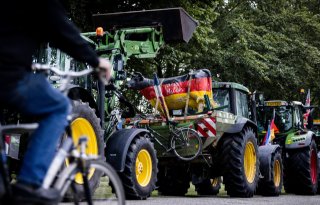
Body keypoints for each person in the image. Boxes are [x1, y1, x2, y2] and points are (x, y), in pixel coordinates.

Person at [0, 1, 111, 204]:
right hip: (9, 75)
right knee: (59, 106)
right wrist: (95, 60)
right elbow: (60, 29)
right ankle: (30, 183)